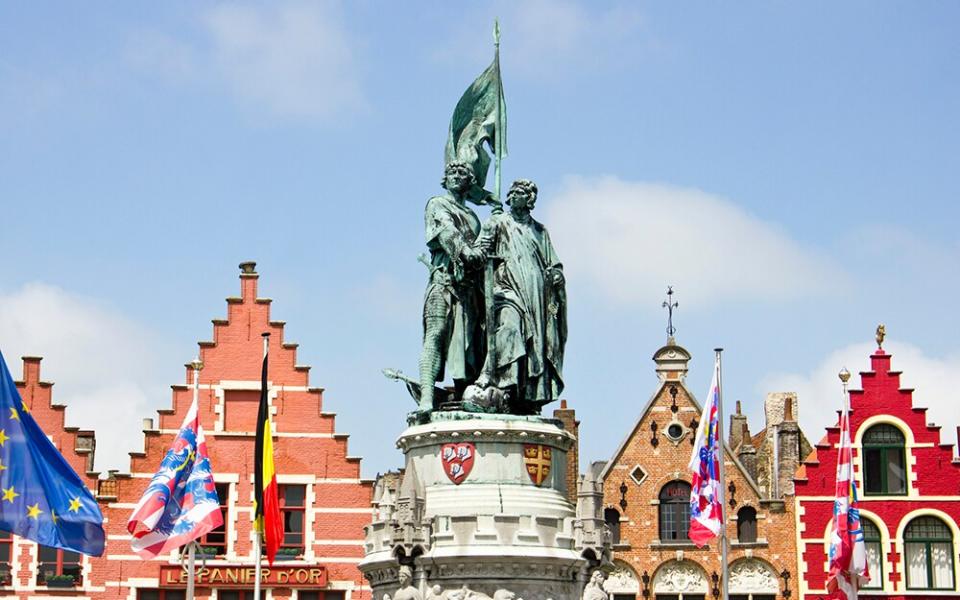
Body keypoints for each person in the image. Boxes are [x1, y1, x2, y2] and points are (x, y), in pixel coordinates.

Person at [475, 179, 566, 412]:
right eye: (512, 192)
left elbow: (554, 263)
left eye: (519, 193)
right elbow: (480, 253)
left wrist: (556, 276)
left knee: (536, 343)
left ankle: (526, 396)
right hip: (505, 289)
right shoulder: (497, 222)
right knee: (511, 328)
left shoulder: (540, 231)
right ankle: (505, 385)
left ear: (529, 199)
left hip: (535, 292)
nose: (513, 196)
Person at [418, 161, 489, 413]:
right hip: (443, 281)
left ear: (470, 182)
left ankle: (465, 394)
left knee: (470, 347)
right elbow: (446, 233)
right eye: (452, 173)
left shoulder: (474, 217)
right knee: (435, 335)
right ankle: (426, 396)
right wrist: (467, 253)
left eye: (463, 173)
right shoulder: (437, 203)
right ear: (445, 179)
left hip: (470, 289)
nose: (457, 176)